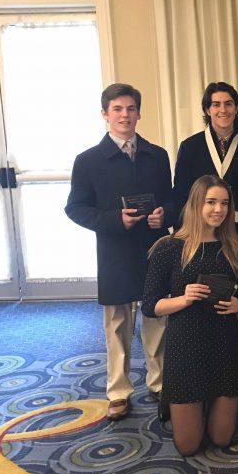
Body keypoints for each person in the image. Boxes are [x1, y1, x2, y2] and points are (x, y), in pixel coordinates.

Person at [66, 83, 174, 421]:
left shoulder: (157, 155)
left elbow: (170, 199)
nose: (125, 115)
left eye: (130, 109)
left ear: (139, 113)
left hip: (153, 247)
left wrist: (164, 215)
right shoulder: (87, 161)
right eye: (117, 109)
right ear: (105, 115)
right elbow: (76, 208)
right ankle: (118, 391)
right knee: (117, 325)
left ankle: (159, 385)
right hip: (114, 249)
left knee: (156, 319)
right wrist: (114, 220)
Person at [141, 175, 238, 455]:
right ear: (196, 204)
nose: (218, 210)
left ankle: (207, 405)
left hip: (225, 345)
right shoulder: (169, 247)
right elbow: (149, 306)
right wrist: (183, 299)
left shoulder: (234, 244)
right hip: (187, 347)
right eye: (211, 202)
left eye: (224, 203)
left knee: (222, 439)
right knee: (188, 446)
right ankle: (183, 405)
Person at [173, 81, 238, 228]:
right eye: (216, 104)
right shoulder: (190, 147)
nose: (223, 110)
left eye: (228, 104)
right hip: (201, 228)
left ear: (236, 108)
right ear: (207, 109)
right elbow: (181, 194)